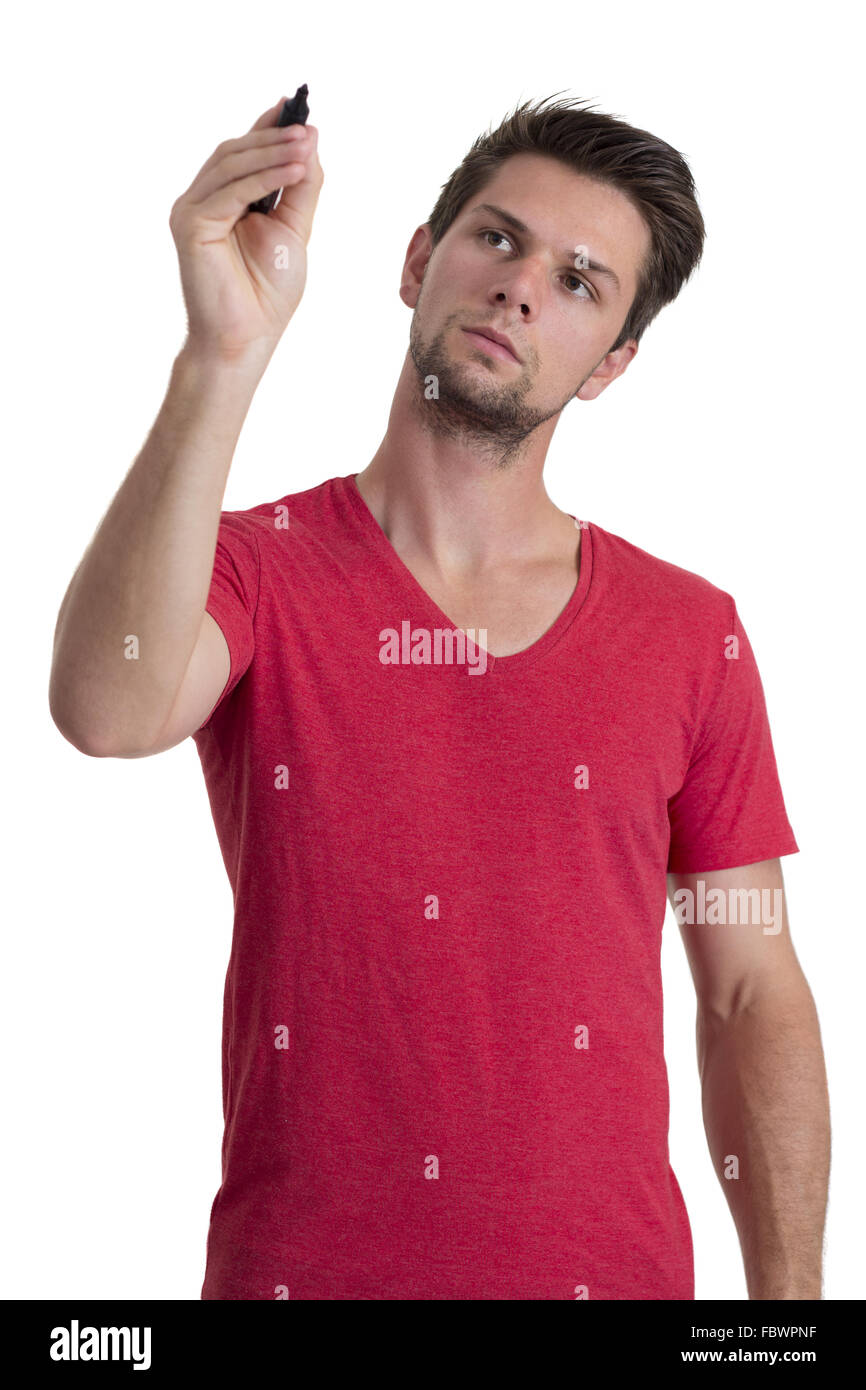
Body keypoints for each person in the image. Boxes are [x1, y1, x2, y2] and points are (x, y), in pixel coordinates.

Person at [49, 93, 830, 1300]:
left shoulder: (690, 633)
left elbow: (747, 986)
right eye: (497, 238)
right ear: (418, 260)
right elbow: (108, 708)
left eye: (580, 281)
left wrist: (786, 1317)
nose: (521, 286)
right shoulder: (253, 568)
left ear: (613, 361)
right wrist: (221, 356)